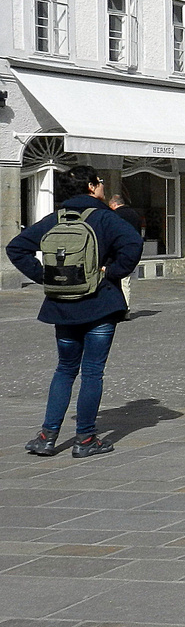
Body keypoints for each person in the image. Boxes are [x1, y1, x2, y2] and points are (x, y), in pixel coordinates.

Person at [6, 165, 143, 457]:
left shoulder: (55, 219)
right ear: (92, 187)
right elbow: (133, 243)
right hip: (100, 303)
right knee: (92, 371)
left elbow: (16, 247)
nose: (103, 187)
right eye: (101, 182)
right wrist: (112, 272)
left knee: (65, 369)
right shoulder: (106, 218)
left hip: (62, 305)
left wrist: (45, 275)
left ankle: (47, 436)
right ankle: (85, 439)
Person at [108, 191, 143, 319]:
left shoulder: (113, 215)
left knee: (114, 280)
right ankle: (126, 309)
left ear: (114, 204)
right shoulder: (135, 215)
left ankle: (117, 309)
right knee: (126, 281)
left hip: (117, 251)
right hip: (132, 251)